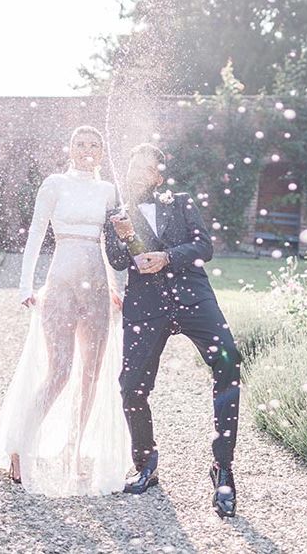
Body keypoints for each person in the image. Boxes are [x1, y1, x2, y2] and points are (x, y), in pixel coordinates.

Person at [0, 125, 131, 497]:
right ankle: (21, 444)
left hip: (97, 286)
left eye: (94, 145)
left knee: (92, 374)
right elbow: (36, 233)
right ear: (69, 148)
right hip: (61, 284)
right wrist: (24, 285)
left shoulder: (108, 191)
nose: (87, 149)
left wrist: (118, 286)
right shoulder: (54, 184)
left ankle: (73, 450)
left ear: (102, 152)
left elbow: (114, 244)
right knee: (60, 371)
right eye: (80, 144)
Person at [104, 143, 241, 518]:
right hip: (145, 308)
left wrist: (167, 257)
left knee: (229, 364)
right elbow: (118, 260)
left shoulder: (179, 201)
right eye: (131, 166)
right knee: (131, 386)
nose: (134, 174)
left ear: (158, 177)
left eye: (144, 169)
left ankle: (222, 467)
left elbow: (203, 247)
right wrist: (120, 235)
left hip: (193, 298)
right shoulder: (116, 212)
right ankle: (145, 462)